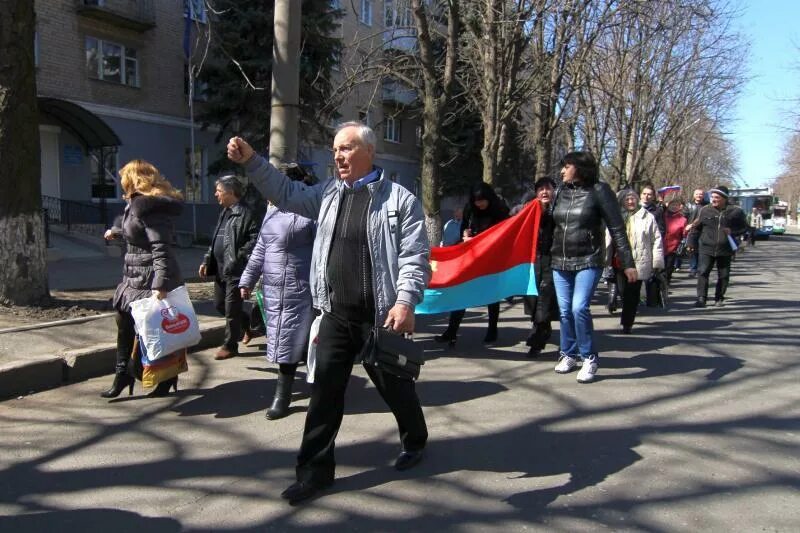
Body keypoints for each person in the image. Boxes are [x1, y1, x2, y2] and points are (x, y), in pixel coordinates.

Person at [227, 122, 431, 505]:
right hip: (336, 314)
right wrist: (253, 161)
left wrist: (405, 301)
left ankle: (415, 440)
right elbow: (285, 192)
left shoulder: (400, 200)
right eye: (335, 149)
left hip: (380, 316)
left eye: (347, 148)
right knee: (324, 395)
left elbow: (414, 256)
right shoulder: (328, 194)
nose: (338, 155)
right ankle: (314, 474)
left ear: (369, 152)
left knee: (395, 387)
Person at [100, 160, 185, 398]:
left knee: (154, 329)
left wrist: (161, 284)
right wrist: (117, 232)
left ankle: (166, 376)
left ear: (134, 178)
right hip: (133, 275)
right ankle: (122, 374)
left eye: (124, 177)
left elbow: (160, 247)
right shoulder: (135, 204)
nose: (121, 182)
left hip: (150, 276)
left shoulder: (148, 207)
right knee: (123, 321)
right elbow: (136, 233)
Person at [550, 151, 636, 383]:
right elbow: (549, 224)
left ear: (580, 168)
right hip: (559, 261)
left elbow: (617, 228)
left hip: (589, 259)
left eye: (566, 166)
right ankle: (568, 354)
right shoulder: (560, 191)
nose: (562, 171)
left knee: (579, 308)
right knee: (565, 311)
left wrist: (628, 263)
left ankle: (589, 357)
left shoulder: (600, 191)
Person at [239, 166, 316, 420]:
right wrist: (247, 280)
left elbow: (323, 251)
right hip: (272, 289)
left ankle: (284, 396)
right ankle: (287, 393)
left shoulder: (311, 210)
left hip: (301, 288)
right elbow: (261, 248)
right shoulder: (272, 212)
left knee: (296, 342)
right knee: (285, 341)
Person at [434, 182, 510, 346]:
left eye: (482, 200)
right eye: (476, 201)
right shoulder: (470, 209)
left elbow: (502, 234)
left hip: (492, 258)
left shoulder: (500, 210)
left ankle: (492, 330)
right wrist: (465, 235)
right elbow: (464, 228)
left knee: (492, 295)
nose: (480, 204)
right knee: (461, 292)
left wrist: (478, 239)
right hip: (472, 256)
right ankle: (451, 331)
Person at [199, 176, 260, 360]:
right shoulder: (224, 212)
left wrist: (238, 258)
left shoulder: (246, 213)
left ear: (230, 192)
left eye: (219, 190)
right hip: (220, 268)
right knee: (219, 304)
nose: (216, 194)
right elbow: (216, 239)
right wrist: (206, 259)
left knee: (231, 309)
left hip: (235, 269)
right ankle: (247, 323)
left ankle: (230, 345)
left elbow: (255, 239)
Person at [611, 189, 664, 333]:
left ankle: (627, 323)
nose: (630, 201)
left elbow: (656, 240)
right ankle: (626, 313)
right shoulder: (615, 216)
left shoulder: (647, 217)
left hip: (638, 261)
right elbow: (607, 238)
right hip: (619, 261)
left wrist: (657, 262)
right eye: (627, 199)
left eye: (633, 198)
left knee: (632, 294)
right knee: (622, 291)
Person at [687, 185, 748, 307]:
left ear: (724, 198)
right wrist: (691, 243)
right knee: (703, 272)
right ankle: (701, 298)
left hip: (725, 249)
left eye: (717, 197)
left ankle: (719, 298)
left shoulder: (735, 211)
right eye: (712, 197)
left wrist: (733, 231)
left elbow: (745, 228)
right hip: (706, 247)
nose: (713, 199)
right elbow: (695, 228)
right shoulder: (705, 210)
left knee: (724, 275)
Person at [521, 177, 558, 357]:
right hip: (532, 262)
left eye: (548, 188)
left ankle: (536, 340)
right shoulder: (527, 210)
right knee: (533, 301)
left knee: (544, 297)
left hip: (554, 262)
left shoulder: (560, 210)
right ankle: (544, 329)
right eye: (541, 189)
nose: (544, 192)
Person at [639, 182, 665, 306]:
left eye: (649, 194)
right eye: (644, 194)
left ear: (653, 197)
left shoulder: (657, 211)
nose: (646, 196)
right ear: (640, 195)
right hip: (634, 246)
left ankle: (644, 297)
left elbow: (661, 230)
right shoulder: (632, 207)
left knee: (645, 274)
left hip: (648, 247)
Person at [662, 193, 688, 285]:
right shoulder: (661, 216)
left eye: (676, 205)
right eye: (672, 204)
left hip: (672, 249)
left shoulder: (682, 219)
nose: (674, 207)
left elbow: (684, 235)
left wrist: (686, 231)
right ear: (667, 205)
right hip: (658, 248)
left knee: (668, 271)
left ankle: (665, 288)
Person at [684, 188, 706, 277]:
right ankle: (693, 269)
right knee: (692, 250)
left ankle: (700, 269)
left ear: (703, 195)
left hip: (703, 231)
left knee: (701, 251)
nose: (699, 196)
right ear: (694, 195)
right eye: (697, 194)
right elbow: (684, 217)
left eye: (701, 194)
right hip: (692, 231)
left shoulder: (707, 206)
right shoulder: (688, 205)